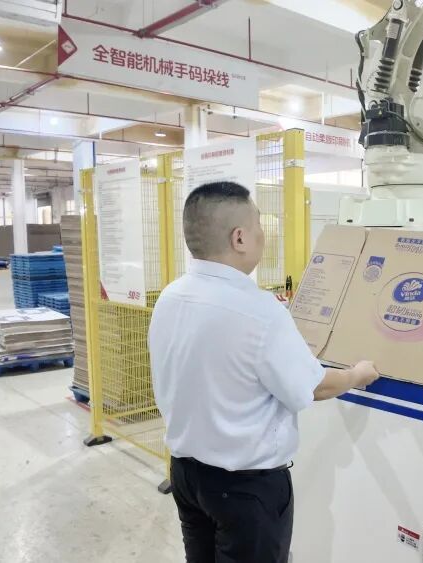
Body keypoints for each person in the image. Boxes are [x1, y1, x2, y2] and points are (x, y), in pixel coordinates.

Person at [148, 181, 380, 563]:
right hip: (244, 491)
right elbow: (314, 387)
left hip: (187, 477)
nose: (263, 234)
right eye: (259, 224)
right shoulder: (259, 311)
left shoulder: (171, 297)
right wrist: (357, 374)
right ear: (239, 237)